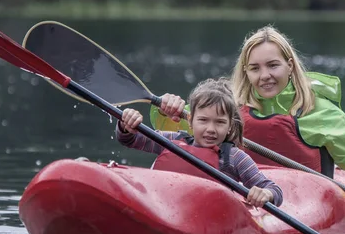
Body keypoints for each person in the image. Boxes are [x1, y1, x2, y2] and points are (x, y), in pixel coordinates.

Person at [153, 26, 345, 216]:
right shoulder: (227, 109)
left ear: (290, 66)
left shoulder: (317, 112)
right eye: (255, 69)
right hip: (240, 202)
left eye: (273, 66)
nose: (265, 76)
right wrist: (167, 111)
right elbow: (180, 132)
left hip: (304, 209)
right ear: (246, 72)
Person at [117, 78, 283, 208]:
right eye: (203, 120)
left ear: (230, 125)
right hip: (162, 208)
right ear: (190, 121)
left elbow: (274, 190)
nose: (211, 129)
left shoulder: (235, 158)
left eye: (219, 122)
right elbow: (130, 139)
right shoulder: (172, 141)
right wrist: (126, 124)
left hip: (208, 221)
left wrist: (265, 194)